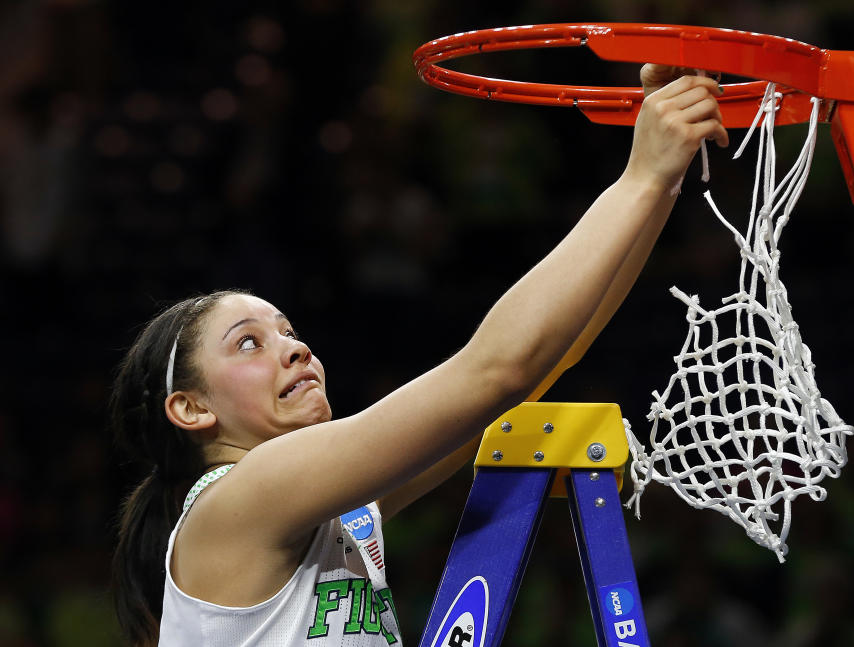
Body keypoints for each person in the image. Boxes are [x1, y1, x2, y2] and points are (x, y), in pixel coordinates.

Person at [110, 65, 728, 646]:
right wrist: (640, 176)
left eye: (288, 330)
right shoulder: (239, 498)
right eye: (250, 342)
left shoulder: (334, 513)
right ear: (190, 409)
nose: (294, 349)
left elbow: (541, 363)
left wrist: (662, 179)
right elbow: (497, 367)